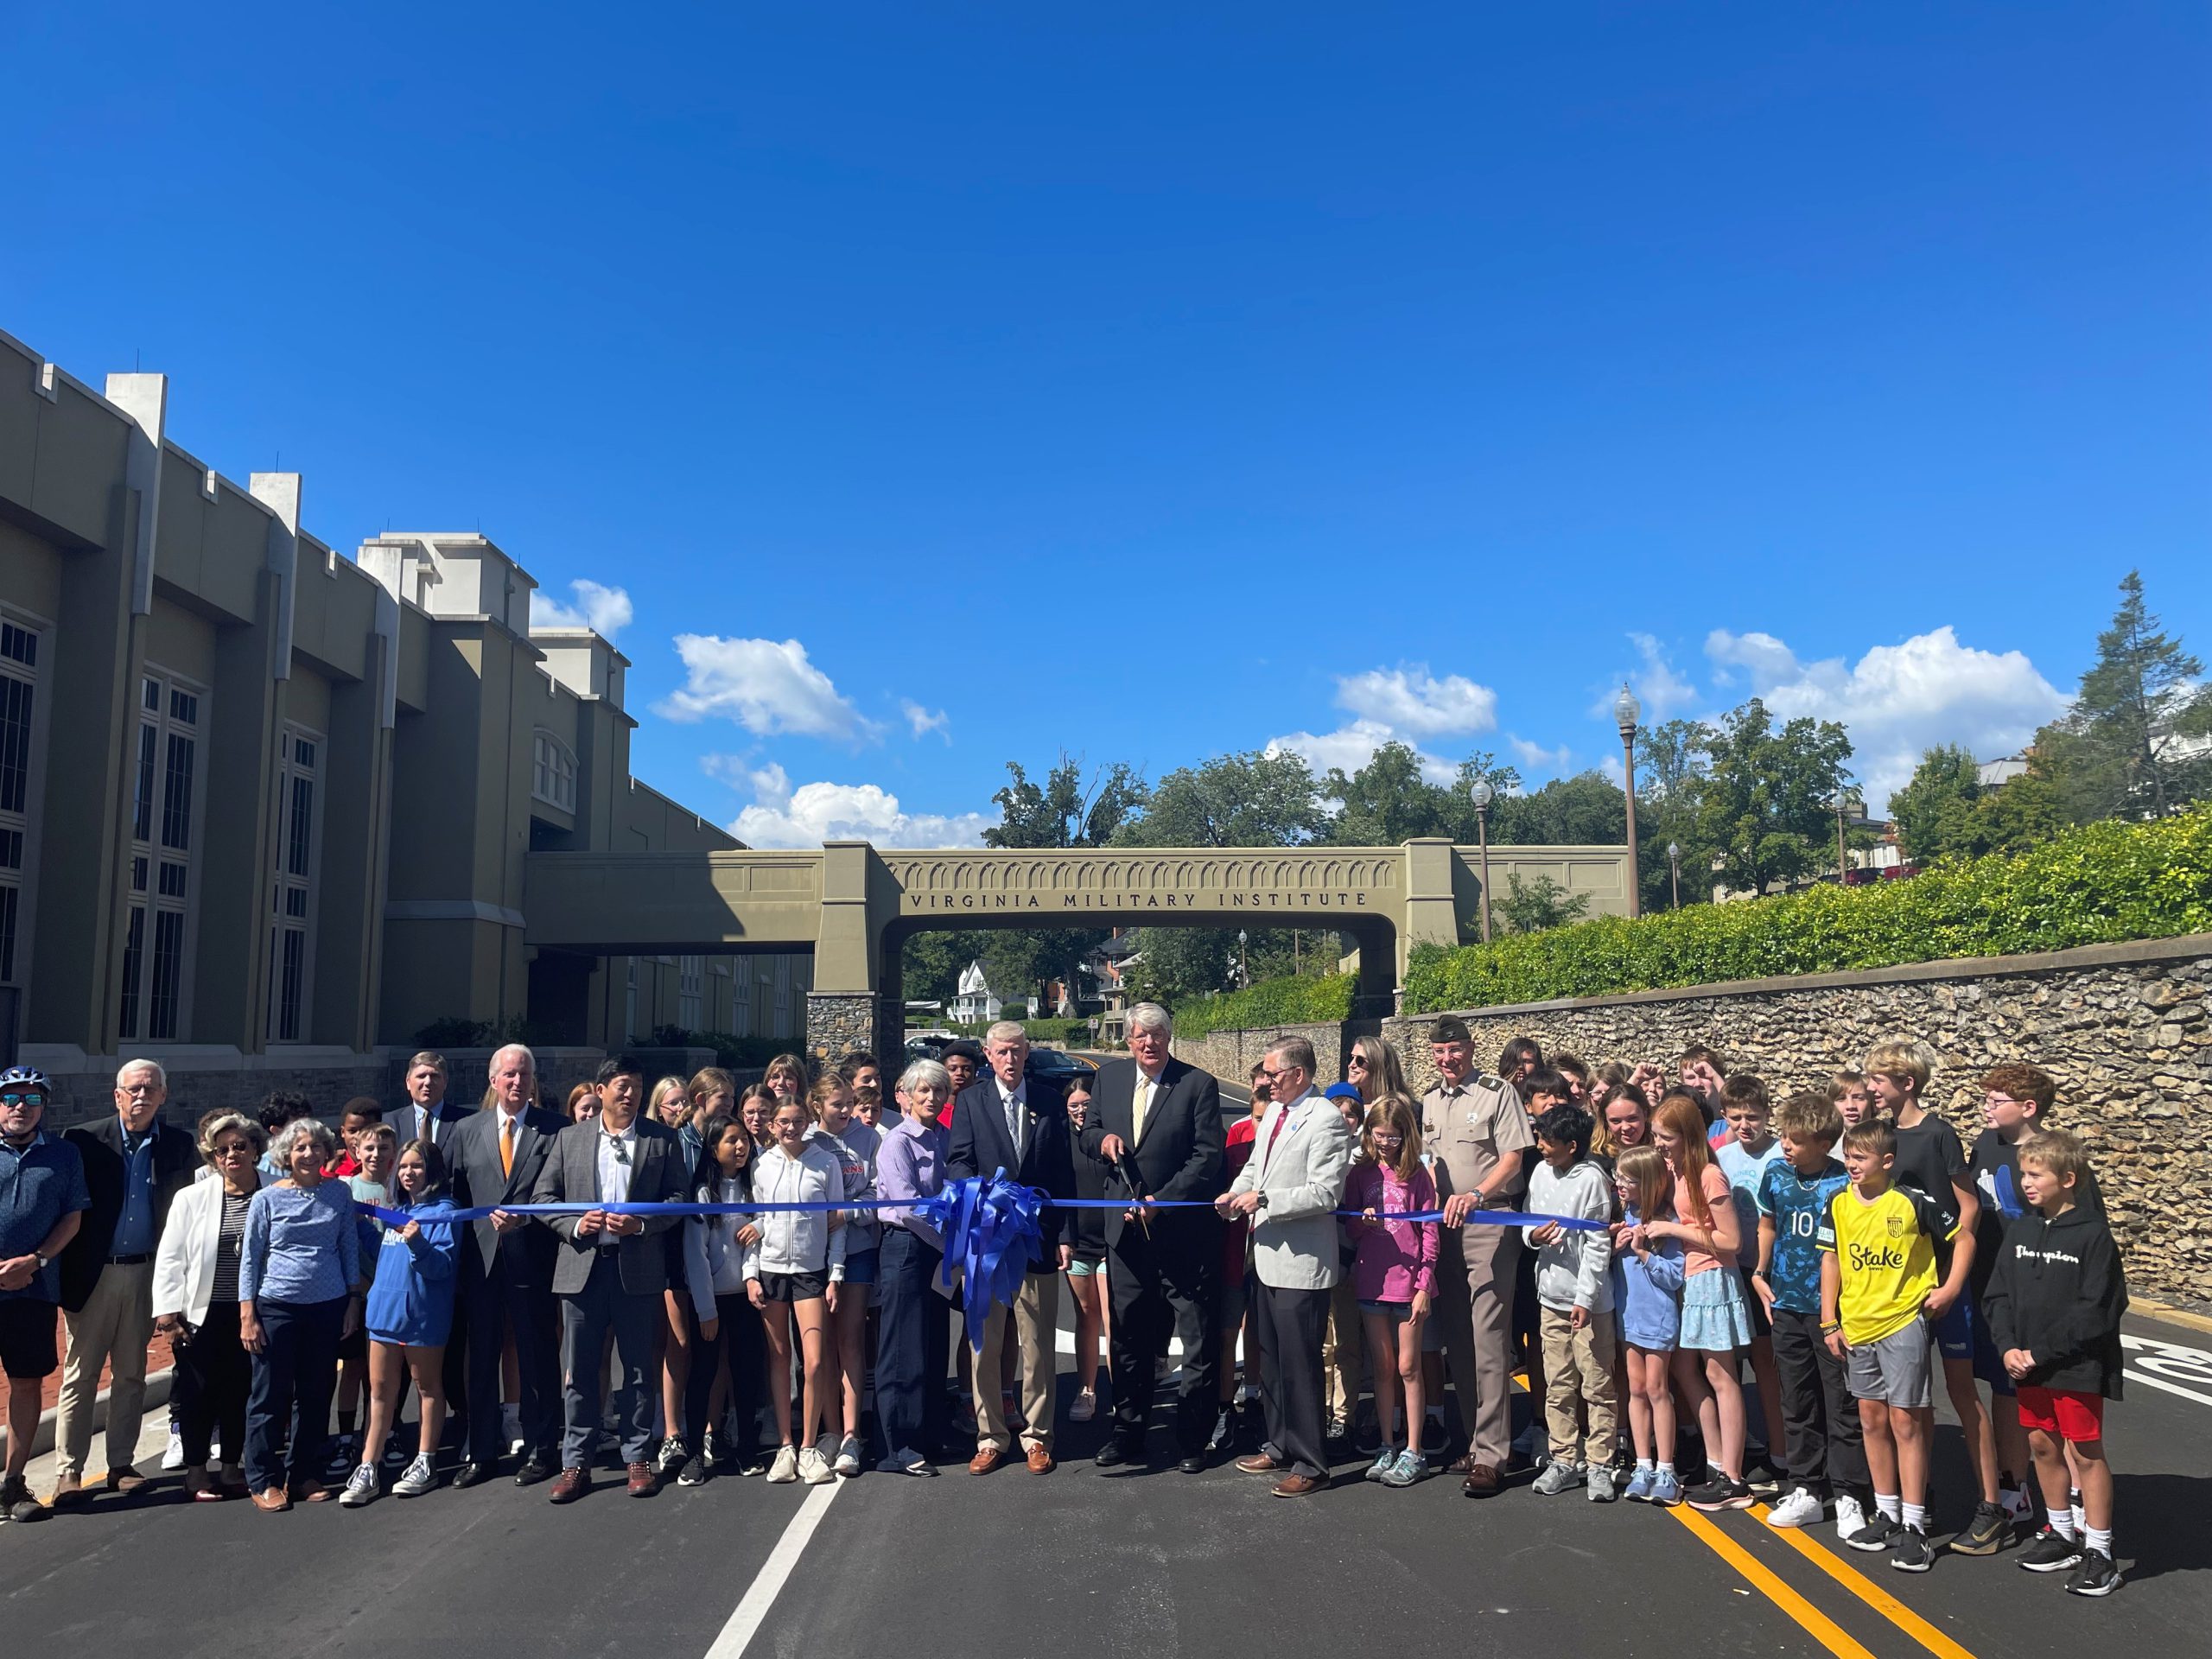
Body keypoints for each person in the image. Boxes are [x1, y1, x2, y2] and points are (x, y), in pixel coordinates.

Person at [1866, 1037, 2003, 1554]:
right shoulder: (1879, 1139)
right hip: (1901, 1290)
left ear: (1907, 1083)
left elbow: (1968, 1208)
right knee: (1910, 1401)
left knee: (1963, 1393)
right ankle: (1911, 1507)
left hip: (1945, 1285)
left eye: (1880, 1080)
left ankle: (1991, 1505)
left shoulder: (1937, 1132)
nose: (1872, 1088)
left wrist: (1953, 1279)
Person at [1077, 1001, 1225, 1473]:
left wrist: (1164, 1199)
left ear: (1169, 1038)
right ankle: (1128, 1432)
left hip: (1182, 1235)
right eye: (1141, 1037)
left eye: (1157, 1037)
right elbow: (1088, 1132)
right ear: (1128, 1040)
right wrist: (1100, 1140)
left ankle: (1192, 1440)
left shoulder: (1197, 1084)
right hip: (1126, 1238)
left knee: (1197, 1341)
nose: (1149, 1044)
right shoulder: (1110, 1078)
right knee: (1127, 1338)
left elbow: (1208, 1156)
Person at [536, 1056, 689, 1503]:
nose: (631, 1094)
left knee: (639, 1368)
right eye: (622, 1086)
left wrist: (641, 1225)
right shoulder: (569, 1139)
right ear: (601, 1090)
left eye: (638, 1086)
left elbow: (677, 1199)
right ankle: (575, 1463)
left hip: (637, 1269)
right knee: (579, 1371)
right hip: (582, 1267)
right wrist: (573, 1225)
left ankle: (637, 1457)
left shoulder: (662, 1140)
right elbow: (545, 1198)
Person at [49, 1058, 198, 1508]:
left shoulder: (177, 1145)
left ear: (163, 1095)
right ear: (117, 1095)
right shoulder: (83, 1141)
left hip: (147, 1274)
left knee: (132, 1373)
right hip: (93, 1273)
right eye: (133, 1088)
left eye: (150, 1088)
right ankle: (69, 1472)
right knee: (81, 1374)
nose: (141, 1095)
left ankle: (120, 1464)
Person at [1984, 1129, 2126, 1597]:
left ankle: (2100, 1551)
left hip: (2075, 1365)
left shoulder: (2093, 1234)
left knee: (2085, 1452)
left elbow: (2099, 1308)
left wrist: (2041, 1352)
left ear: (2067, 1178)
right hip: (2025, 1365)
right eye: (2023, 1174)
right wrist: (2007, 1347)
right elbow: (1998, 1294)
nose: (2026, 1183)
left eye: (2036, 1175)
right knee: (2042, 1445)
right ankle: (2061, 1532)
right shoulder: (2022, 1229)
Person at [1820, 1121, 1959, 1573]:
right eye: (1848, 1156)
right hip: (1856, 1326)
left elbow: (1963, 1237)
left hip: (1902, 1324)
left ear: (1887, 1161)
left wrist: (1949, 1289)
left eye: (1860, 1157)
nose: (1851, 1164)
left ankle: (1915, 1525)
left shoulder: (1912, 1201)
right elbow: (1832, 1259)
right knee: (1871, 1419)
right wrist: (1828, 1322)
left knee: (1906, 1422)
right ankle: (1887, 1511)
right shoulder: (1838, 1203)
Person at [1221, 1036, 1355, 1498]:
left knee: (1301, 1365)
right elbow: (1256, 1167)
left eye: (1273, 1074)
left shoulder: (1327, 1121)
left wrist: (1264, 1201)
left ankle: (1312, 1462)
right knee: (1272, 1363)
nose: (1265, 1082)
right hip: (1266, 1256)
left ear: (1299, 1074)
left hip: (1302, 1263)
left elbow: (1325, 1193)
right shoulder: (1276, 1113)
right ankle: (1279, 1444)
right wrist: (1234, 1194)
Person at [949, 1022, 1075, 1475]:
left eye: (1016, 1052)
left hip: (1037, 1243)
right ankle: (990, 1437)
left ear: (1026, 1053)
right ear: (988, 1054)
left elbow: (1064, 1175)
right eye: (1001, 1052)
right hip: (988, 1242)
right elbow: (958, 1159)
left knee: (1037, 1343)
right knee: (986, 1342)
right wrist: (984, 1197)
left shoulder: (1048, 1101)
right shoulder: (969, 1101)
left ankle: (1038, 1436)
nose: (1009, 1059)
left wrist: (1065, 1235)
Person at [1420, 1014, 1533, 1498]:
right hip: (1441, 1230)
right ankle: (1471, 1439)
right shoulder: (1426, 1100)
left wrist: (1478, 1195)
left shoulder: (1496, 1093)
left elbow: (1513, 1158)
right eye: (1440, 1051)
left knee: (1489, 1340)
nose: (1449, 1059)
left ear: (1470, 1048)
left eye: (1456, 1049)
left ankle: (1492, 1455)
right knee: (1457, 1342)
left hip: (1487, 1224)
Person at [444, 1043, 566, 1487]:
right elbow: (455, 1196)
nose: (517, 1083)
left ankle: (541, 1449)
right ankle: (481, 1453)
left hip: (533, 1259)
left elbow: (564, 1196)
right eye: (510, 1075)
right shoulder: (465, 1130)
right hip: (481, 1263)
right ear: (493, 1081)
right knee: (481, 1360)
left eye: (525, 1075)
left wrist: (528, 1217)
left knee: (538, 1357)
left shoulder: (555, 1130)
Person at [1970, 1062, 2082, 1533]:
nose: (1986, 1108)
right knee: (2003, 1387)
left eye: (1996, 1101)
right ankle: (2015, 1488)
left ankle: (2075, 1497)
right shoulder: (1984, 1145)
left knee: (2056, 1397)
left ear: (2028, 1108)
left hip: (2040, 1292)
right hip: (1993, 1287)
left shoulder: (2055, 1157)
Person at [1751, 1092, 1863, 1538]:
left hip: (1831, 1309)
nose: (1784, 1145)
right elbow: (1768, 1225)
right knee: (1796, 1401)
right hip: (1785, 1302)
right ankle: (1807, 1489)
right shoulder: (1776, 1173)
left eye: (1794, 1139)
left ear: (1822, 1141)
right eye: (1783, 1136)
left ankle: (1851, 1492)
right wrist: (1760, 1273)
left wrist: (1834, 1310)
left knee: (1841, 1402)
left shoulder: (1842, 1183)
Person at [240, 1118, 363, 1511]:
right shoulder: (267, 1199)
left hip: (327, 1307)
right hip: (277, 1306)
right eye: (300, 1148)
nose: (309, 1155)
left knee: (315, 1393)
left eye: (315, 1147)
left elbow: (348, 1248)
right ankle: (262, 1478)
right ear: (286, 1156)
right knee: (270, 1395)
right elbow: (251, 1258)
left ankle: (303, 1472)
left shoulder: (339, 1194)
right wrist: (248, 1314)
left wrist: (352, 1300)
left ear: (328, 1152)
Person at [1647, 1092, 1755, 1511]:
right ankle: (1717, 1465)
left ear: (1687, 1136)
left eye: (1665, 1137)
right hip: (1691, 1279)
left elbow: (1731, 1241)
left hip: (1712, 1279)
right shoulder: (1679, 1169)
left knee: (1722, 1375)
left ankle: (1734, 1477)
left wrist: (1675, 1231)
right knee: (1695, 1371)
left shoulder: (1709, 1174)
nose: (1658, 1143)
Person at [152, 1111, 265, 1501]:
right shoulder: (191, 1198)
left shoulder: (271, 1194)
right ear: (212, 1158)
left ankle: (232, 1468)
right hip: (202, 1312)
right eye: (221, 1151)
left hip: (253, 1311)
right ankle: (197, 1473)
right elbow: (170, 1257)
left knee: (241, 1391)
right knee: (199, 1393)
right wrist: (167, 1315)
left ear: (255, 1149)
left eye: (239, 1147)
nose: (231, 1155)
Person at [344, 1139, 461, 1505]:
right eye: (405, 1167)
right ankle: (369, 1465)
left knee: (428, 1389)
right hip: (383, 1317)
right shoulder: (398, 1211)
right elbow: (384, 1257)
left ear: (433, 1170)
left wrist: (419, 1244)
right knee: (379, 1394)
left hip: (423, 1317)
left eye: (418, 1167)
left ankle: (426, 1459)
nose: (409, 1173)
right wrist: (364, 1229)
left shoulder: (446, 1212)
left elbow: (442, 1268)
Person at [1, 1066, 89, 1523]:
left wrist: (34, 1263)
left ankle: (13, 1484)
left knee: (26, 1382)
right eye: (12, 1098)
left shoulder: (64, 1155)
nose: (20, 1107)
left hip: (34, 1290)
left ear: (44, 1107)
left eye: (31, 1100)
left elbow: (72, 1219)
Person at [746, 1094, 847, 1485]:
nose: (790, 1127)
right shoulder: (761, 1165)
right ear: (771, 1126)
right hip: (770, 1271)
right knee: (778, 1359)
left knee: (817, 1360)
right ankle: (785, 1446)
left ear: (809, 1122)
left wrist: (836, 1273)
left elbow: (836, 1223)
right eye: (782, 1121)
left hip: (811, 1271)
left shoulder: (826, 1162)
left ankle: (808, 1446)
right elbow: (755, 1222)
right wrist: (751, 1273)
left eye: (798, 1120)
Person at [1523, 1103, 1619, 1501]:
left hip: (1590, 1304)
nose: (1541, 1146)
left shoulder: (1593, 1179)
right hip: (1551, 1296)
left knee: (1596, 1384)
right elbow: (1527, 1220)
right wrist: (1533, 1238)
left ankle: (1600, 1464)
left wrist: (1585, 1298)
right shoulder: (1541, 1172)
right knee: (1557, 1383)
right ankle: (1563, 1458)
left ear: (1572, 1145)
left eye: (1548, 1141)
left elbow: (1598, 1243)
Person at [1344, 1094, 1436, 1489]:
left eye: (1394, 1137)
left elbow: (1430, 1231)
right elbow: (1349, 1229)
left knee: (1408, 1367)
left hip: (1408, 1284)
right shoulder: (1360, 1174)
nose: (1385, 1144)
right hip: (1371, 1282)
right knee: (1382, 1368)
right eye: (1379, 1136)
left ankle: (1415, 1450)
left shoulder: (1418, 1175)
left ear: (1407, 1136)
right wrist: (1363, 1223)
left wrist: (1425, 1284)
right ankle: (1387, 1443)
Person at [677, 1113, 765, 1487]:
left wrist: (758, 1225)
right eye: (731, 1140)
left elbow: (767, 1222)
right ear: (714, 1149)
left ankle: (747, 1449)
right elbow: (694, 1256)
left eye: (743, 1139)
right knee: (703, 1375)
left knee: (746, 1375)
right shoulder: (701, 1195)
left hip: (745, 1296)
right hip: (711, 1302)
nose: (741, 1146)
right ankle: (695, 1452)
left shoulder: (754, 1186)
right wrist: (706, 1309)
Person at [874, 1061, 953, 1474]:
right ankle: (898, 1445)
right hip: (907, 1247)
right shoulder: (896, 1142)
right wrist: (950, 1244)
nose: (930, 1098)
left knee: (933, 1341)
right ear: (904, 1096)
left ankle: (929, 1433)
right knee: (903, 1346)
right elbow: (907, 1207)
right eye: (922, 1091)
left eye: (938, 1091)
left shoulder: (946, 1137)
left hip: (938, 1250)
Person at [809, 1070, 884, 1478]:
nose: (844, 1111)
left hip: (857, 1251)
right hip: (813, 1257)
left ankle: (853, 1433)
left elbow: (879, 1191)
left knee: (851, 1338)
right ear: (817, 1105)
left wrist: (847, 1214)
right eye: (836, 1104)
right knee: (822, 1347)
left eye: (847, 1103)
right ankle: (829, 1430)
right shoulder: (807, 1140)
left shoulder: (870, 1139)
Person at [1715, 1074, 1786, 1485]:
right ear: (1725, 1117)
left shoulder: (1780, 1154)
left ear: (1767, 1115)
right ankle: (1740, 1451)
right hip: (1734, 1270)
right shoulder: (1723, 1158)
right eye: (1737, 1117)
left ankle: (1781, 1451)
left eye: (1753, 1117)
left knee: (1767, 1364)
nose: (1745, 1125)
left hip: (1770, 1271)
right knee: (1731, 1366)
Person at [1611, 1146, 1687, 1505]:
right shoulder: (1624, 1214)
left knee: (1658, 1389)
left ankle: (1666, 1467)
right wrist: (1615, 1247)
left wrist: (1643, 1251)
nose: (1620, 1183)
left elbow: (1674, 1276)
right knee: (1636, 1389)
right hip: (1628, 1316)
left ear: (1649, 1183)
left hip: (1657, 1317)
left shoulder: (1664, 1221)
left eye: (1628, 1179)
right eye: (1619, 1176)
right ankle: (1643, 1464)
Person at [1061, 1077, 1112, 1423]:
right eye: (1073, 1106)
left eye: (1086, 1104)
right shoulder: (1061, 1142)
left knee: (1114, 1320)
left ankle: (1121, 1392)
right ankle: (1088, 1389)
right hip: (1079, 1244)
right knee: (1086, 1316)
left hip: (1111, 1244)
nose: (1080, 1111)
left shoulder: (1109, 1136)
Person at [392, 1051, 469, 1150]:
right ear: (408, 1083)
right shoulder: (390, 1122)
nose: (428, 1082)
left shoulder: (466, 1121)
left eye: (434, 1076)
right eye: (421, 1076)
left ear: (445, 1082)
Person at [937, 1040, 982, 1128]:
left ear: (975, 1073)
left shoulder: (982, 1110)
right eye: (953, 1069)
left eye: (966, 1069)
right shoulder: (933, 1109)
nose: (959, 1073)